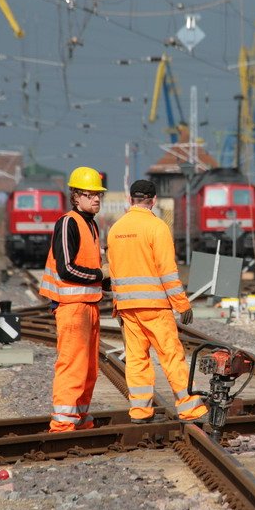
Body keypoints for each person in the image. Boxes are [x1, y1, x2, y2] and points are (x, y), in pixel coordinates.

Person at [106, 180, 208, 424]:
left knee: (136, 359)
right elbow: (168, 273)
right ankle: (190, 409)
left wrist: (118, 305)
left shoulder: (115, 229)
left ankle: (140, 411)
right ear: (153, 201)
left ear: (130, 200)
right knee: (171, 356)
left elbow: (113, 270)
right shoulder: (157, 227)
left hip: (127, 309)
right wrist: (182, 304)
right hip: (155, 307)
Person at [40, 166, 109, 432]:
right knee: (72, 366)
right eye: (90, 194)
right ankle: (62, 424)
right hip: (72, 308)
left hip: (88, 306)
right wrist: (99, 275)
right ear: (75, 196)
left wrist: (108, 282)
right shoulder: (69, 222)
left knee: (89, 368)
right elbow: (66, 269)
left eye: (98, 195)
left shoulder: (90, 224)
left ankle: (79, 418)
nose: (96, 199)